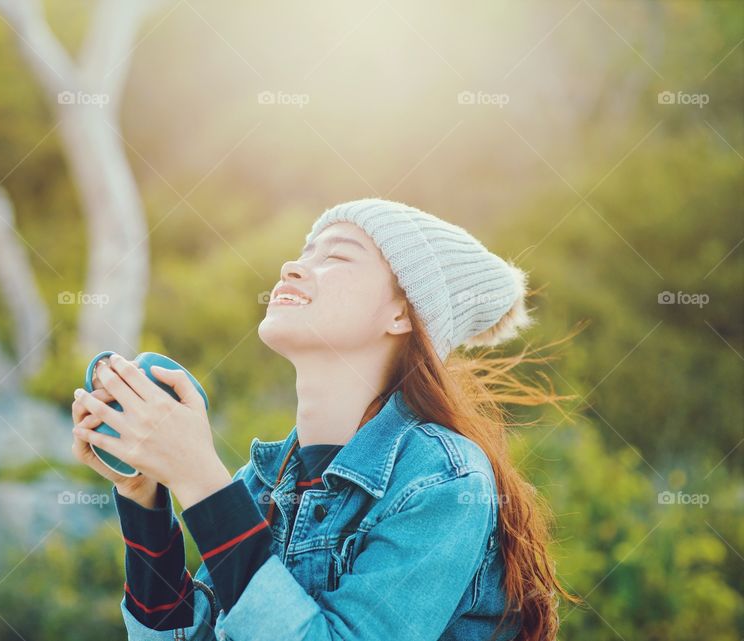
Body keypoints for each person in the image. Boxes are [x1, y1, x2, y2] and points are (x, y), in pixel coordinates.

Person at [71, 198, 575, 641]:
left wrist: (198, 477)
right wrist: (144, 496)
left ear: (402, 313)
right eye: (303, 251)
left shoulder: (441, 480)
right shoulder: (261, 485)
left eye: (335, 255)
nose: (293, 265)